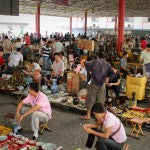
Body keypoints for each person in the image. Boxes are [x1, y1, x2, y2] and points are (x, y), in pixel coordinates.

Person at [80, 53, 115, 120]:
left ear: (98, 56)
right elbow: (113, 73)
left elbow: (87, 64)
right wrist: (108, 78)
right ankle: (100, 117)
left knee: (91, 98)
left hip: (94, 83)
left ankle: (88, 115)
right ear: (105, 58)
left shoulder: (95, 61)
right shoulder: (107, 64)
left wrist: (90, 71)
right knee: (100, 100)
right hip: (102, 84)